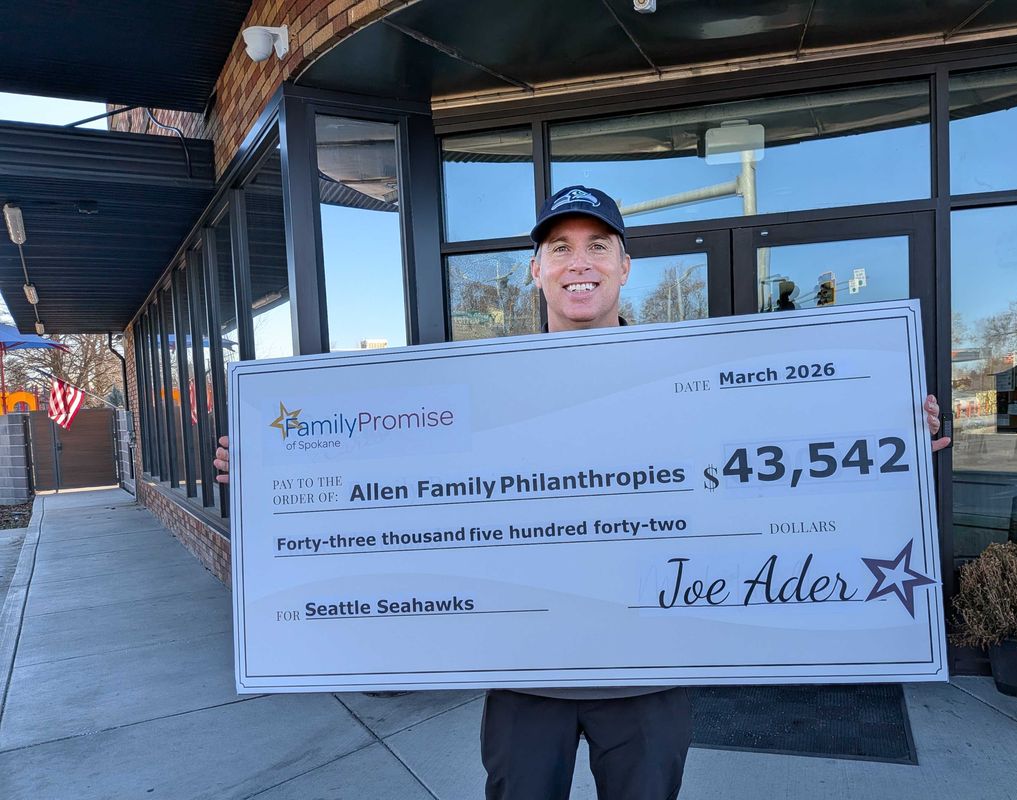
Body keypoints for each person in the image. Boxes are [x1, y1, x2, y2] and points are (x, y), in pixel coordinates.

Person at [214, 185, 951, 799]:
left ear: (626, 268)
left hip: (649, 669)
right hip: (526, 669)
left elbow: (774, 456)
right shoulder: (487, 388)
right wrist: (266, 473)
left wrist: (886, 424)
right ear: (534, 270)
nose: (579, 262)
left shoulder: (686, 371)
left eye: (598, 245)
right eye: (560, 248)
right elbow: (395, 475)